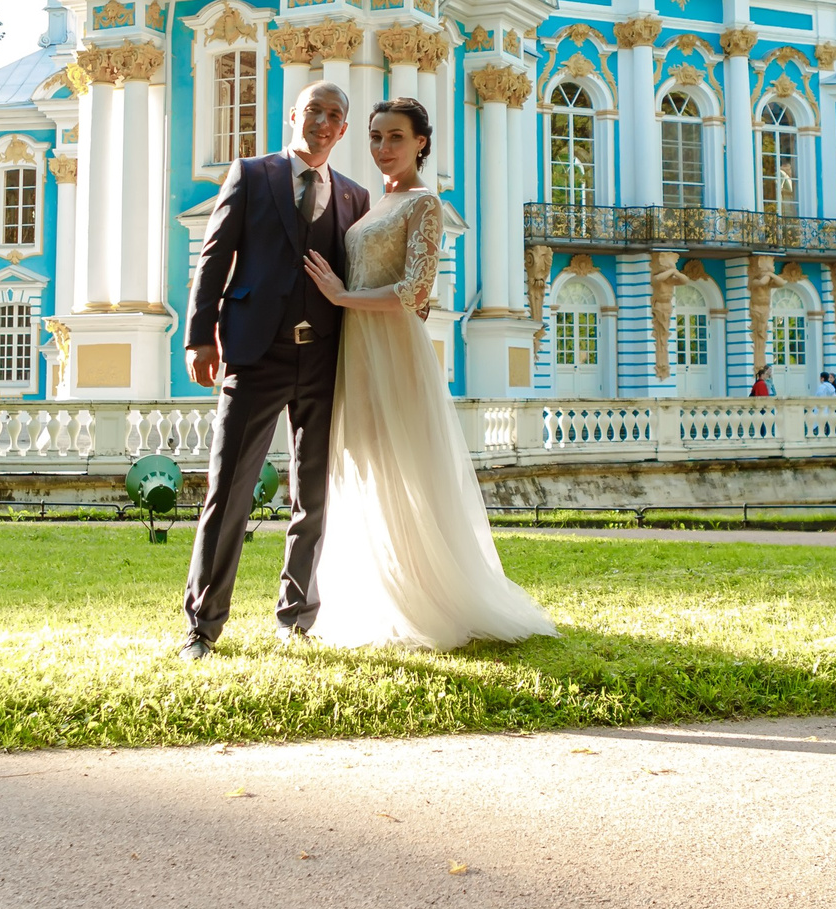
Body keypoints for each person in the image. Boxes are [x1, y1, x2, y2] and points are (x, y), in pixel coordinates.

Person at [297, 98, 556, 651]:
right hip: (357, 346)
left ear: (421, 143)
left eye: (395, 137)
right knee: (364, 462)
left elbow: (417, 290)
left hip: (393, 346)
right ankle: (378, 591)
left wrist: (342, 296)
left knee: (404, 464)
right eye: (374, 137)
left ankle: (425, 595)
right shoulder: (373, 203)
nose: (383, 148)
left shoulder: (425, 204)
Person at [178, 82, 370, 659]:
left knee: (313, 494)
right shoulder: (250, 174)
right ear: (295, 115)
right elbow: (214, 258)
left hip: (324, 359)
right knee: (228, 491)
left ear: (342, 129)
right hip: (252, 356)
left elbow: (355, 281)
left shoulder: (354, 198)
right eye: (315, 110)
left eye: (335, 115)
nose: (323, 121)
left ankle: (296, 618)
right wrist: (199, 337)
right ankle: (202, 627)